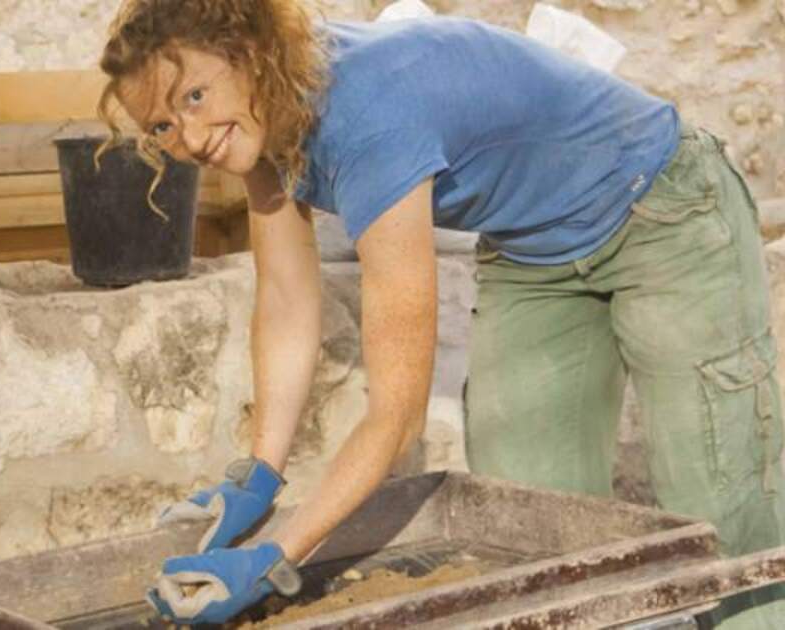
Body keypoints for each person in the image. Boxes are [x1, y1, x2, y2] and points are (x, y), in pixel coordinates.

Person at [97, 0, 785, 627]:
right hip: (535, 251)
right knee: (528, 519)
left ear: (249, 54)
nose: (187, 137)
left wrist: (272, 556)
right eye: (161, 123)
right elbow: (284, 303)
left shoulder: (368, 118)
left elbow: (396, 415)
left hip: (661, 205)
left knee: (722, 506)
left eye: (194, 95)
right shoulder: (259, 127)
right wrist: (259, 476)